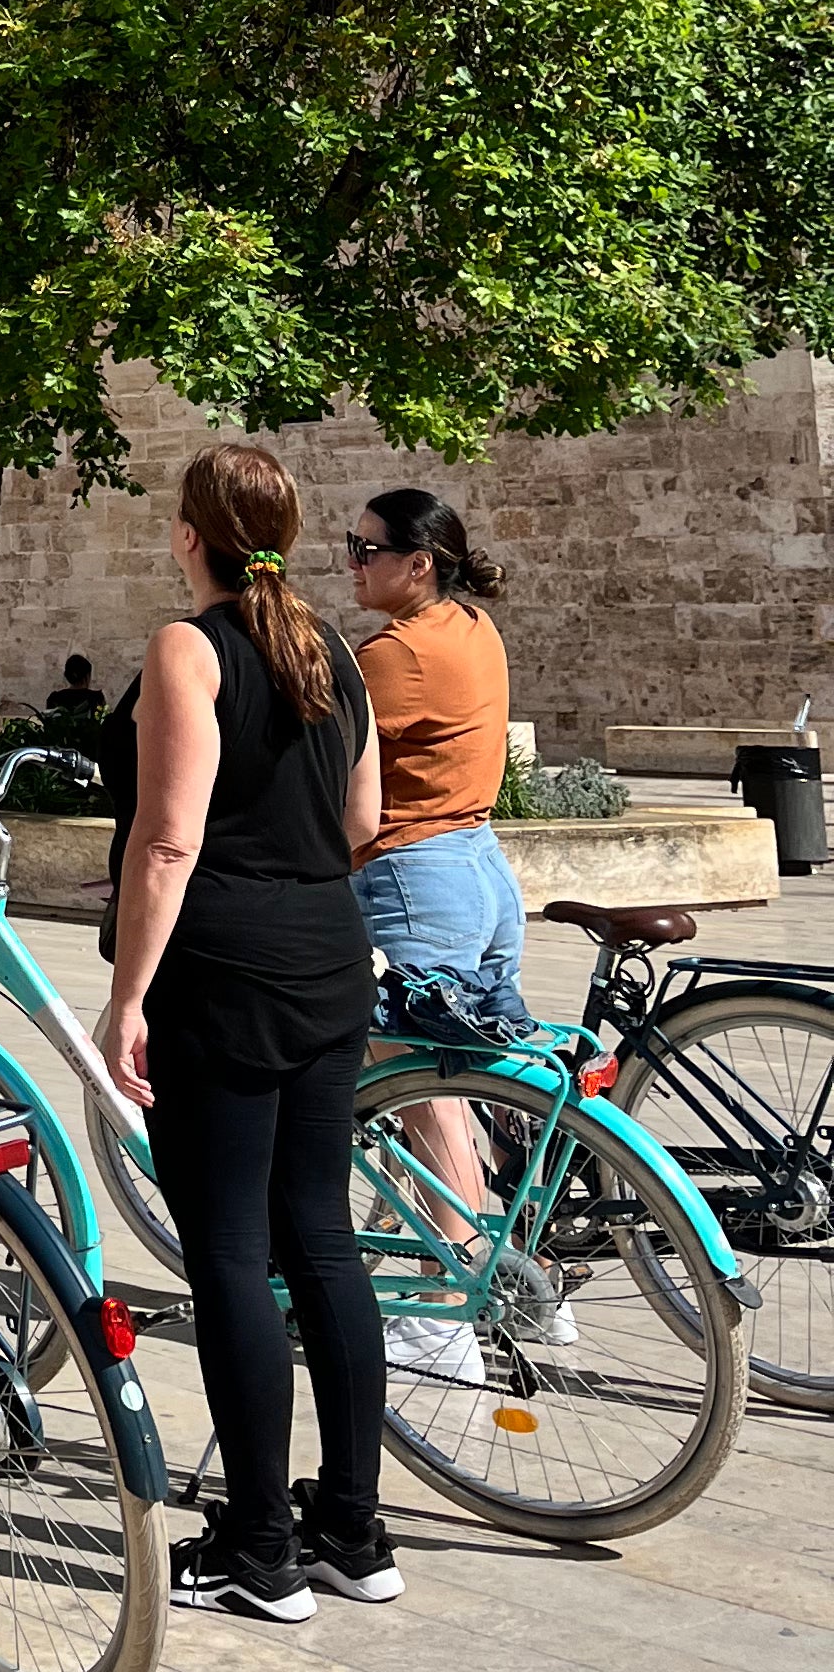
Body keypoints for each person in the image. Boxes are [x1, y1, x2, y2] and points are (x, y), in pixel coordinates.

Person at [101, 444, 391, 1623]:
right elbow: (365, 814)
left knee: (227, 1250)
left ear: (190, 533)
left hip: (224, 968)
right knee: (322, 1238)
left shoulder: (190, 646)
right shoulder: (334, 651)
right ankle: (353, 1531)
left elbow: (168, 840)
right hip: (330, 954)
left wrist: (126, 995)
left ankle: (260, 1547)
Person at [347, 488, 524, 1374]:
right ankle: (530, 1287)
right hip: (481, 868)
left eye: (366, 548)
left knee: (423, 1090)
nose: (353, 562)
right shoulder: (473, 628)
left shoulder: (394, 653)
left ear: (418, 563)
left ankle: (443, 1314)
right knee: (492, 1084)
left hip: (417, 876)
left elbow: (321, 763)